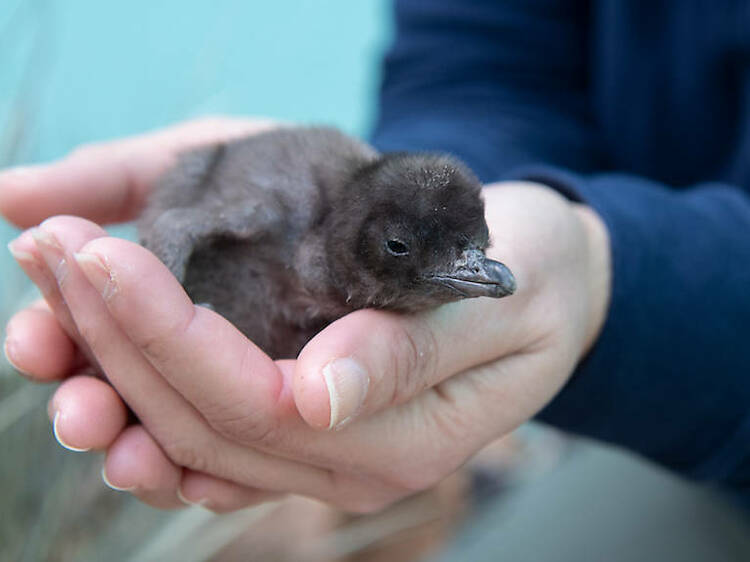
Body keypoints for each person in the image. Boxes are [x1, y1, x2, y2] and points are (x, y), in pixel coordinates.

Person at [1, 0, 748, 514]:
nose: (481, 272)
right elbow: (479, 57)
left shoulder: (348, 240)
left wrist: (617, 279)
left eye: (474, 247)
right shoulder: (279, 209)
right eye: (401, 249)